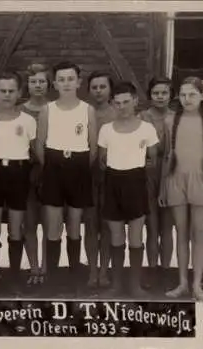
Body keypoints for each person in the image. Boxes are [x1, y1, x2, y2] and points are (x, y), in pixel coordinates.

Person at [158, 77, 203, 302]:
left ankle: (197, 286)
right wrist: (162, 188)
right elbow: (167, 155)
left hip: (200, 181)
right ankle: (182, 283)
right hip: (175, 180)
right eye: (183, 95)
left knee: (198, 233)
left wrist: (202, 171)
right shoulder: (170, 120)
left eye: (192, 94)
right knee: (181, 234)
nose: (187, 99)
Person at [36, 61, 97, 292]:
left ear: (79, 82)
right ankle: (51, 275)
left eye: (70, 79)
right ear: (55, 84)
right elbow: (40, 144)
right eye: (61, 79)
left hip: (79, 167)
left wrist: (79, 167)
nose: (66, 83)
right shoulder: (47, 110)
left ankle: (73, 272)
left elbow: (93, 148)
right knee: (53, 225)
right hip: (53, 166)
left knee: (74, 224)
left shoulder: (87, 110)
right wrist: (51, 167)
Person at [0, 72, 37, 292]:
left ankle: (14, 279)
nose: (7, 95)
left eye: (11, 91)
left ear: (19, 93)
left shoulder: (27, 121)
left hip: (18, 174)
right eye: (2, 91)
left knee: (15, 228)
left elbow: (33, 151)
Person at [99, 81, 159, 298]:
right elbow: (103, 160)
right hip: (113, 182)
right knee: (116, 236)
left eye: (126, 102)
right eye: (117, 103)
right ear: (112, 104)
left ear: (135, 101)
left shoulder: (147, 129)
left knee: (135, 237)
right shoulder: (106, 130)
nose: (122, 106)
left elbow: (152, 158)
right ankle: (116, 285)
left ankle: (135, 286)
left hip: (136, 182)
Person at [139, 77, 175, 287]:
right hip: (148, 173)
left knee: (167, 227)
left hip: (170, 173)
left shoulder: (176, 117)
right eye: (156, 93)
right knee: (151, 226)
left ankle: (166, 270)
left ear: (171, 95)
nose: (160, 97)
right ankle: (151, 268)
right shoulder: (142, 117)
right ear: (150, 95)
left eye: (164, 93)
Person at [84, 71, 117, 288]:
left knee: (106, 226)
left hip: (111, 176)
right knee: (89, 226)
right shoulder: (83, 112)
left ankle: (104, 270)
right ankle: (92, 271)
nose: (98, 91)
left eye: (102, 86)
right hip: (86, 175)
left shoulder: (117, 113)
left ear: (110, 89)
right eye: (94, 87)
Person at [20, 63, 50, 286]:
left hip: (51, 171)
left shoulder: (56, 108)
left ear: (48, 84)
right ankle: (33, 267)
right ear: (27, 85)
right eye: (33, 82)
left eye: (41, 81)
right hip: (27, 172)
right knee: (29, 223)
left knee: (50, 223)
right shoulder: (19, 111)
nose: (38, 85)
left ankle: (46, 268)